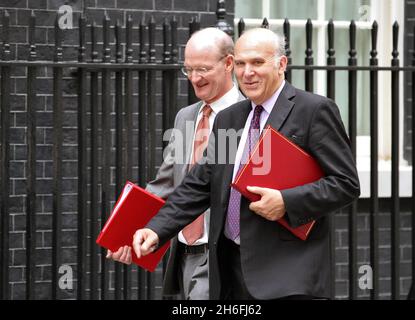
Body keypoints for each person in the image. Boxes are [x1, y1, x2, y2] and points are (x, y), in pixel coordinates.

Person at [130, 28, 360, 300]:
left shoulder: (314, 110)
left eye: (257, 63)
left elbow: (346, 184)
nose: (247, 72)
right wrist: (156, 229)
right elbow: (199, 185)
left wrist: (287, 201)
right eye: (240, 64)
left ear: (281, 64)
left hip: (289, 277)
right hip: (230, 274)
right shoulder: (229, 118)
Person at [106, 27, 244, 300]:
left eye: (202, 69)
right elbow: (167, 183)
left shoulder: (249, 115)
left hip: (222, 259)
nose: (194, 78)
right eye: (188, 70)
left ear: (228, 64)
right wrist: (127, 237)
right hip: (183, 257)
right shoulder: (186, 117)